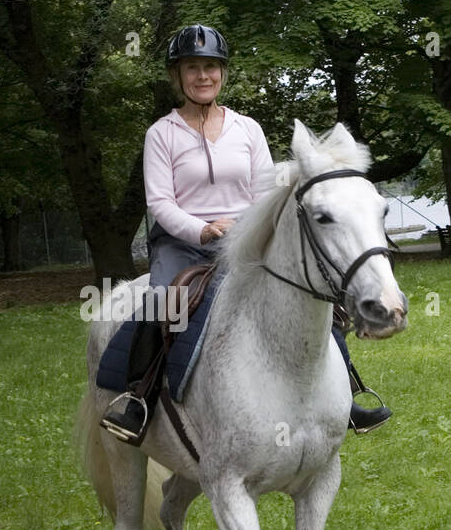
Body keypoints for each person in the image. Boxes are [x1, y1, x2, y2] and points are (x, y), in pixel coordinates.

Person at [100, 23, 391, 442]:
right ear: (177, 77)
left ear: (223, 74)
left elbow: (263, 190)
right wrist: (203, 230)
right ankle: (138, 399)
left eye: (211, 67)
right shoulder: (160, 134)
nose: (203, 76)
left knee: (317, 297)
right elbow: (160, 203)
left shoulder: (247, 129)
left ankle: (348, 395)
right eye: (192, 68)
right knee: (164, 303)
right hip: (183, 244)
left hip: (244, 239)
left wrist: (248, 225)